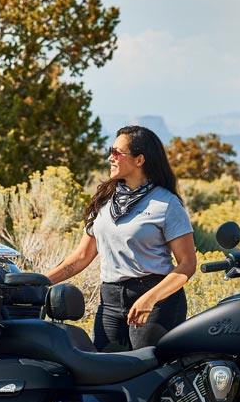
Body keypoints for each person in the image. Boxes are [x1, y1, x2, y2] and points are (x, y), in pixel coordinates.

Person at [45, 125, 196, 352]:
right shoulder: (104, 200)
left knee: (149, 371)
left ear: (139, 160)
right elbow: (81, 256)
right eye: (111, 151)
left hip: (156, 303)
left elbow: (187, 264)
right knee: (105, 369)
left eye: (117, 153)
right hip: (110, 302)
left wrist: (150, 299)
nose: (110, 157)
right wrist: (39, 282)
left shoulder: (167, 204)